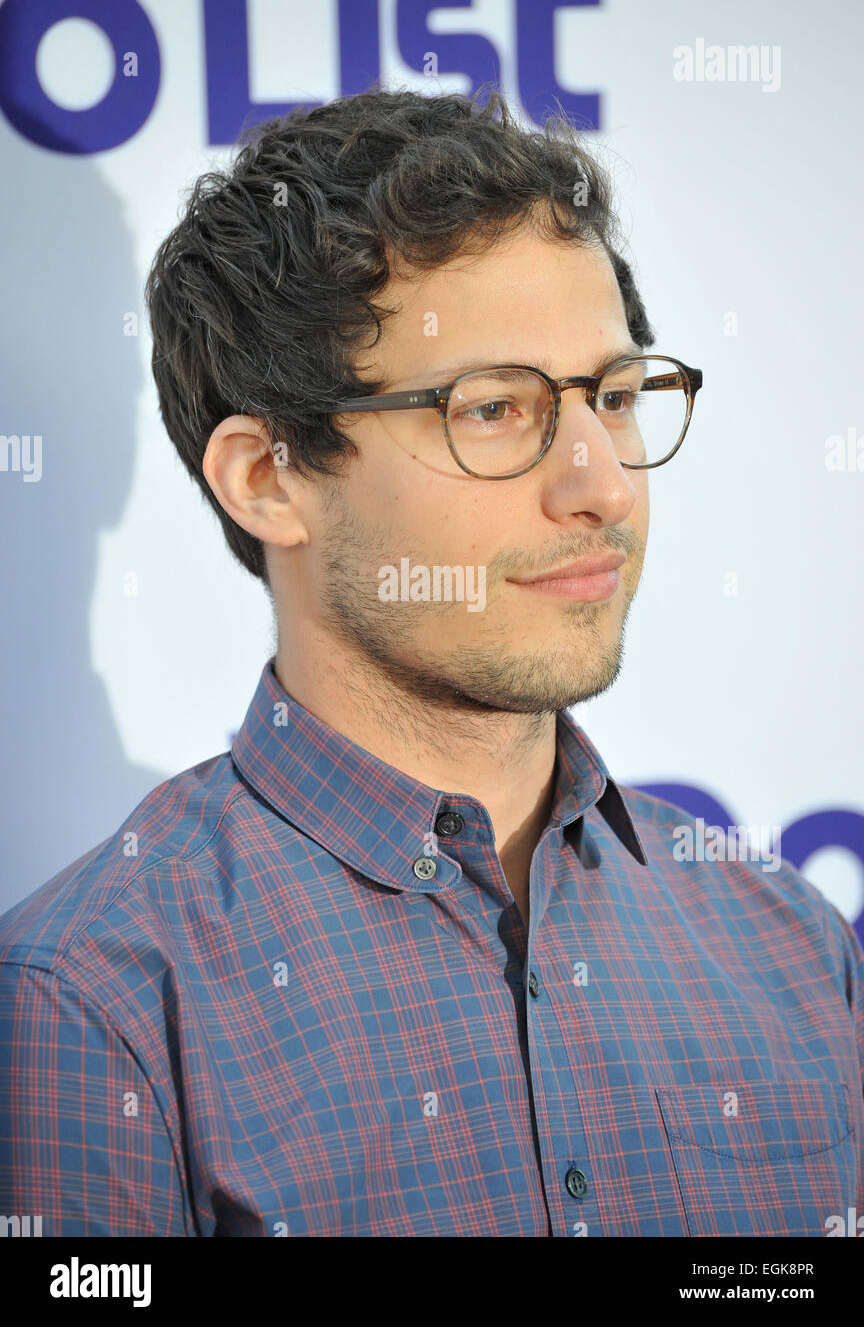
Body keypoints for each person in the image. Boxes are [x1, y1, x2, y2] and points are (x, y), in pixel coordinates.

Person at [1, 87, 861, 1237]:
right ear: (269, 478)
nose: (602, 484)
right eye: (495, 408)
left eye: (613, 396)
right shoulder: (89, 1006)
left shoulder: (793, 943)